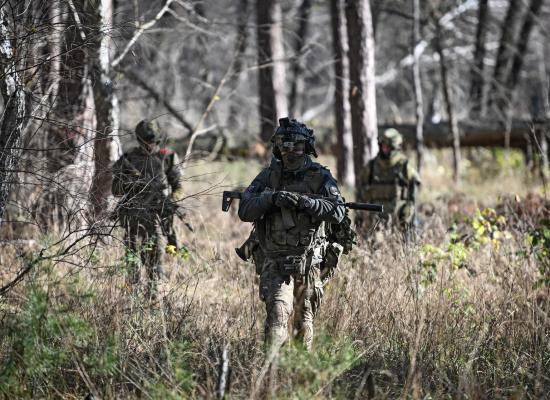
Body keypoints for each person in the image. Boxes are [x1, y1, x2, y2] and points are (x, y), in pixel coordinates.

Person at [238, 117, 345, 352]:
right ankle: (272, 375)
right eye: (284, 145)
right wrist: (270, 199)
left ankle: (299, 375)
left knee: (303, 323)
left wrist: (307, 203)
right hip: (275, 260)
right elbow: (244, 210)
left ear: (306, 146)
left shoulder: (320, 177)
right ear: (277, 147)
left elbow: (338, 211)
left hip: (310, 263)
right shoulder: (268, 176)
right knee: (276, 317)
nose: (291, 151)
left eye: (296, 145)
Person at [111, 120, 184, 297]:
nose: (152, 145)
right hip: (132, 218)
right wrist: (130, 184)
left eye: (155, 142)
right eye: (148, 142)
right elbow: (115, 190)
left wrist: (171, 201)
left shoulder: (167, 158)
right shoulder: (128, 159)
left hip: (157, 217)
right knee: (132, 259)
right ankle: (132, 296)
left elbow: (179, 187)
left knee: (156, 256)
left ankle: (154, 295)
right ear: (140, 140)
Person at [357, 128, 420, 236]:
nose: (385, 149)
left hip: (398, 222)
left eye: (388, 146)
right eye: (383, 145)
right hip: (375, 223)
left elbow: (414, 191)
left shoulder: (404, 166)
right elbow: (361, 192)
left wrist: (409, 212)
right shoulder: (372, 166)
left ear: (395, 147)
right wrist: (359, 218)